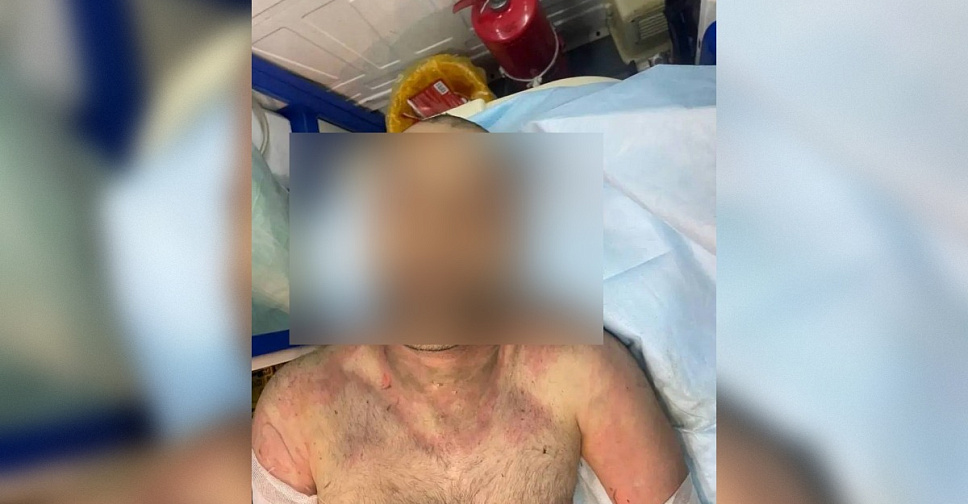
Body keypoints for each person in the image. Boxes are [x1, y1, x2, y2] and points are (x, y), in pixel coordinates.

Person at [252, 116, 688, 504]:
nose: (434, 237)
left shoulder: (585, 371)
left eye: (471, 209)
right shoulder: (295, 409)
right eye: (405, 205)